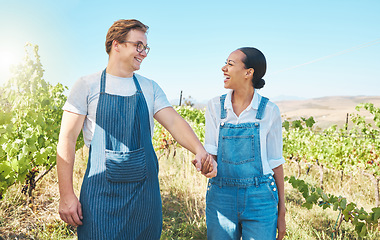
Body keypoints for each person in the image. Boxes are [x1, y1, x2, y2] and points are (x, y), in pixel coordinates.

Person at [56, 19, 216, 240]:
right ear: (117, 44)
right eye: (138, 45)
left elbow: (174, 122)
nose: (144, 53)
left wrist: (199, 150)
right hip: (100, 195)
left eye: (145, 47)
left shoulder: (149, 87)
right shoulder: (87, 85)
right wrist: (66, 194)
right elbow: (67, 139)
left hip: (144, 195)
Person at [204, 47, 286, 240]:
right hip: (221, 196)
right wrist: (206, 166)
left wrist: (281, 212)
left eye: (230, 64)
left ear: (249, 73)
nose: (223, 68)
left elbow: (276, 163)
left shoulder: (269, 111)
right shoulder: (215, 107)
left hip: (261, 198)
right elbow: (211, 156)